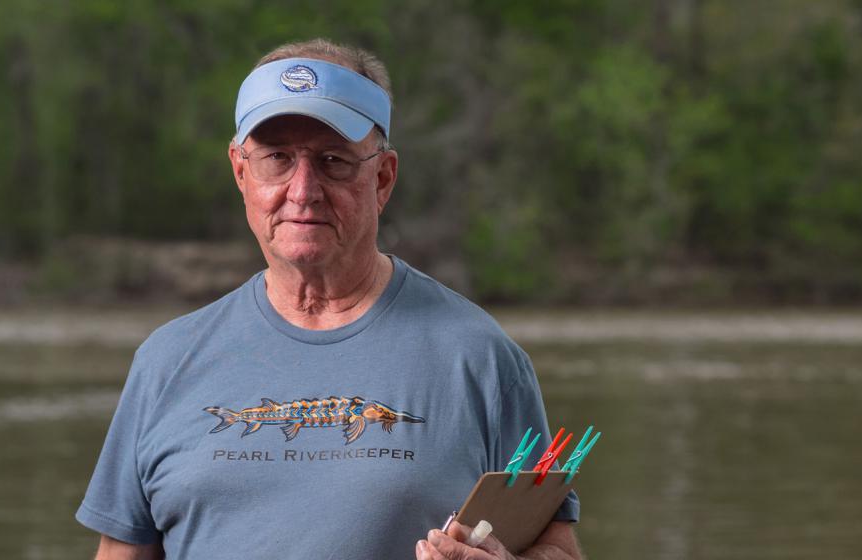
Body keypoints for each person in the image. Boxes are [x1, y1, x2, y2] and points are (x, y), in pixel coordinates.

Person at [76, 38, 582, 560]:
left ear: (382, 178)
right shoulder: (166, 359)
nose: (303, 189)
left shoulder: (480, 357)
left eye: (333, 160)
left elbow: (556, 549)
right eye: (277, 158)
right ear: (240, 171)